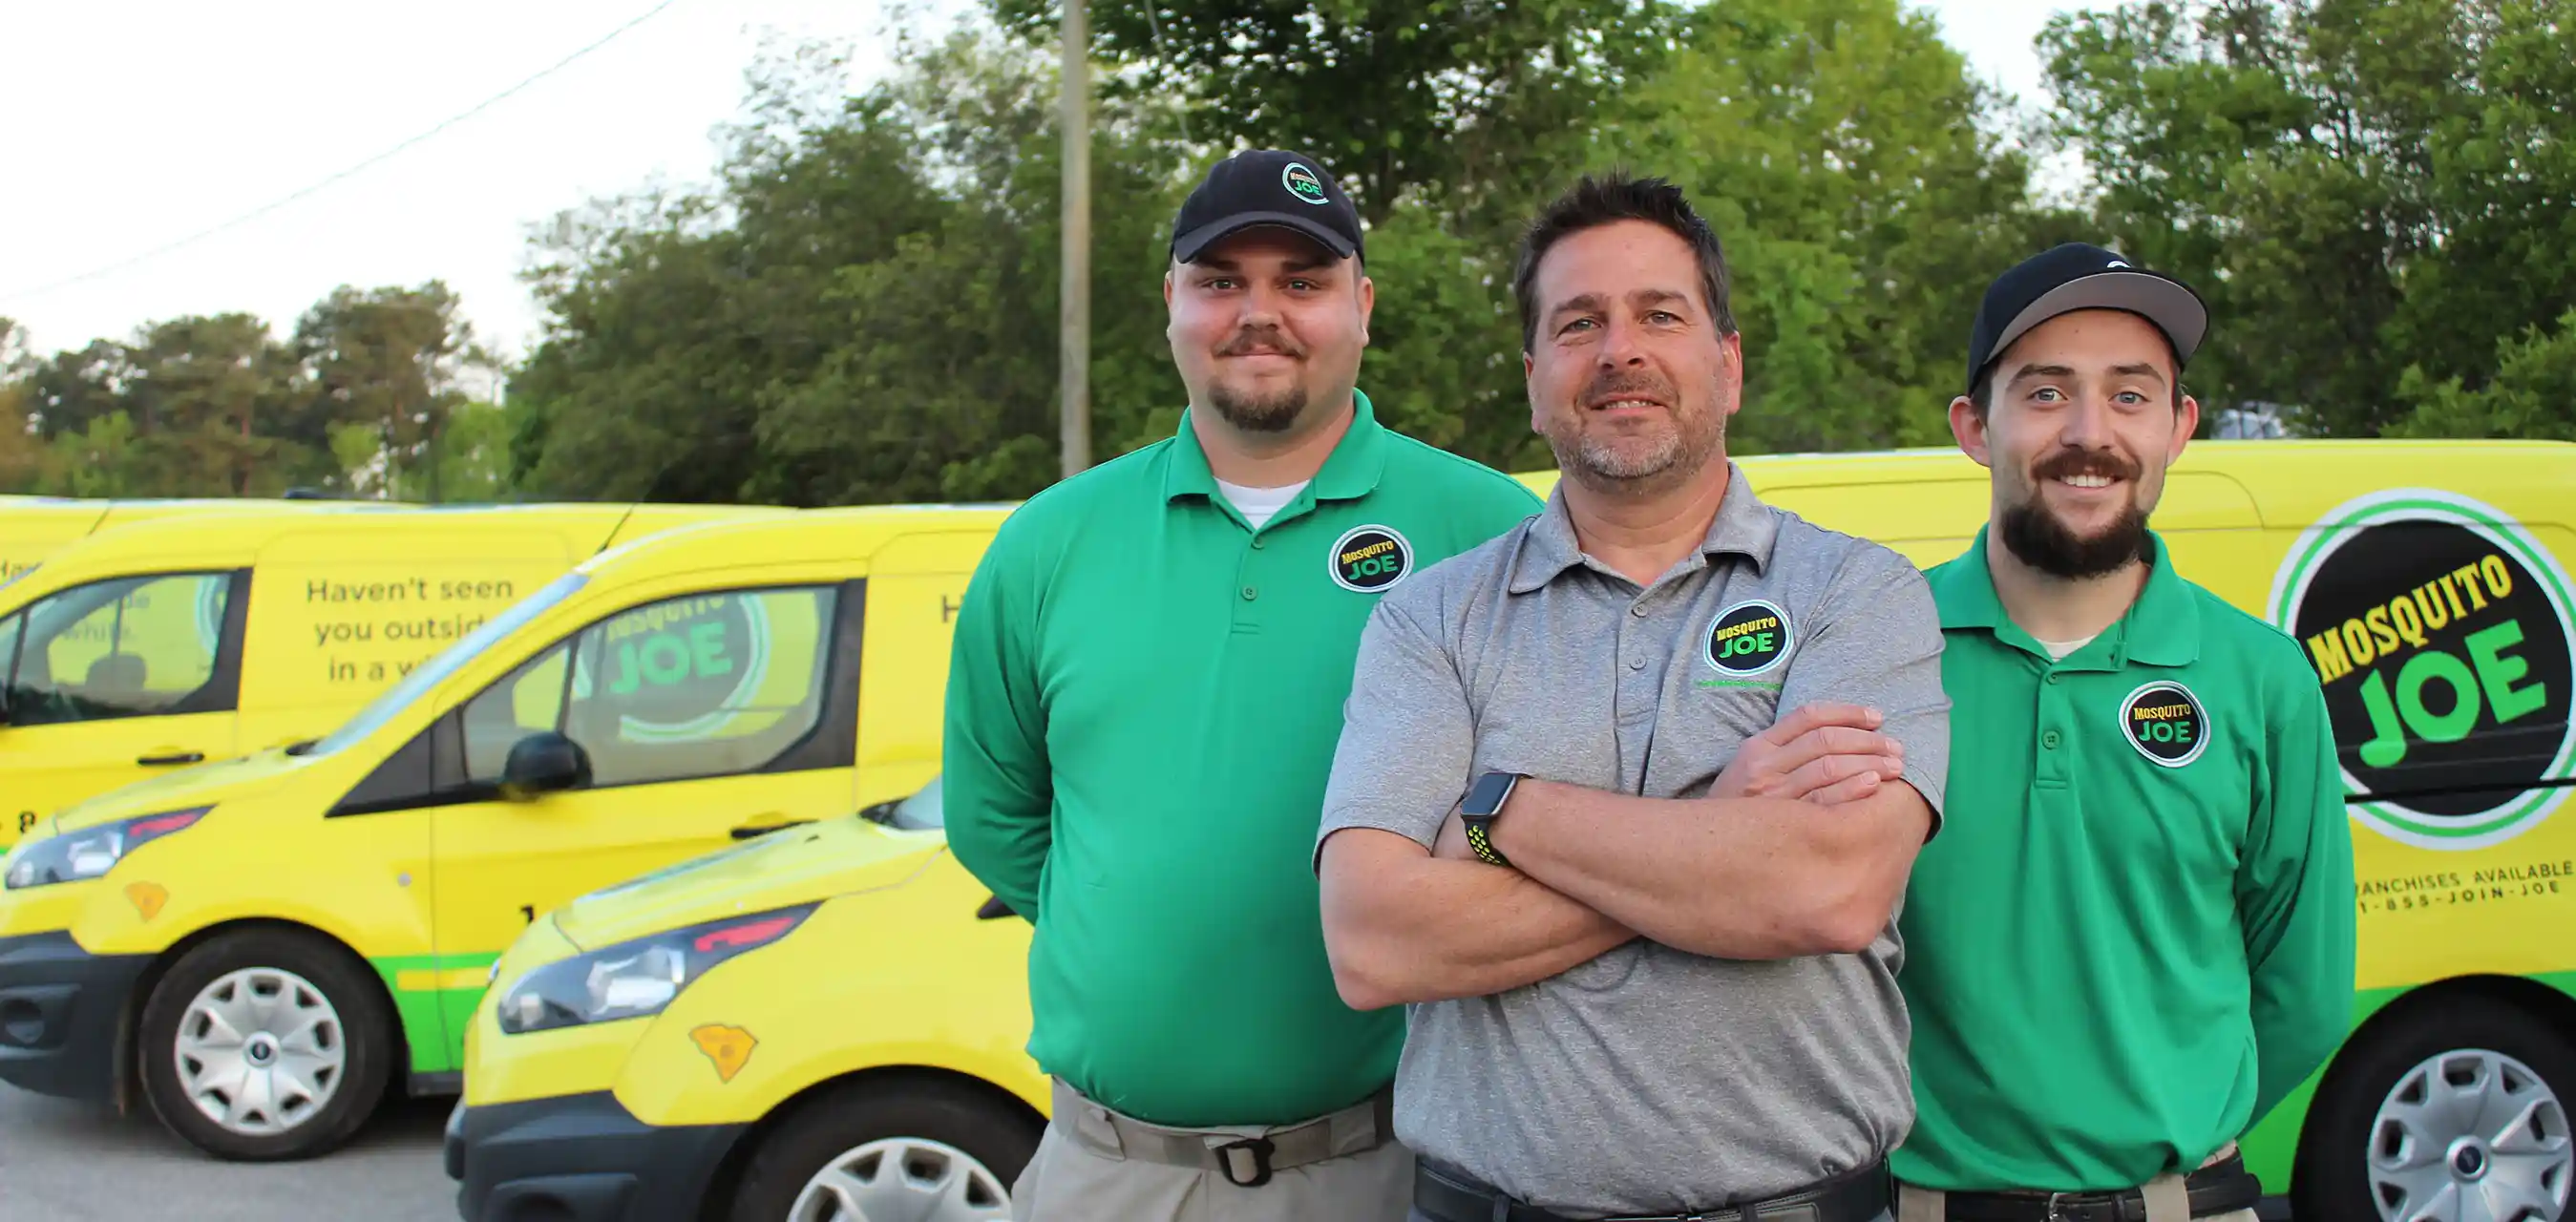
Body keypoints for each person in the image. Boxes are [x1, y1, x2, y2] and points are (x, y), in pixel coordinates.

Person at [1313, 170, 1951, 1222]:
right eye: (1579, 323)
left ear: (1728, 365)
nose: (1620, 350)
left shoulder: (1857, 592)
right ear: (1535, 380)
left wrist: (1501, 811)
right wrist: (1718, 831)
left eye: (1660, 314)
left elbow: (1826, 891)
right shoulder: (1431, 618)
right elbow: (1374, 943)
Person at [941, 148, 1546, 1222]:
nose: (1259, 312)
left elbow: (1558, 807)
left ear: (1362, 306)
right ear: (1170, 302)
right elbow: (997, 820)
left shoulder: (1488, 530)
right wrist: (1148, 925)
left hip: (1399, 1165)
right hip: (1108, 1174)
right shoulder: (1049, 540)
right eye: (1221, 280)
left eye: (1301, 281)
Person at [1887, 242, 2356, 1222]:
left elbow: (2305, 993)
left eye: (2130, 395)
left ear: (2179, 427)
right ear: (1974, 426)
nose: (2089, 433)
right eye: (2046, 393)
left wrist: (2172, 1137)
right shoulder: (1877, 653)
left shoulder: (2263, 676)